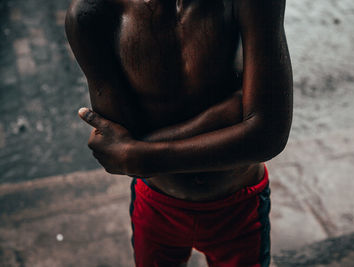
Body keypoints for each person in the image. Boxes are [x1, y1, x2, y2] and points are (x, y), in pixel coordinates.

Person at [65, 0, 292, 266]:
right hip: (156, 205)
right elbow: (117, 149)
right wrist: (233, 110)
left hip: (240, 204)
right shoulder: (93, 12)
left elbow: (268, 135)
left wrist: (142, 156)